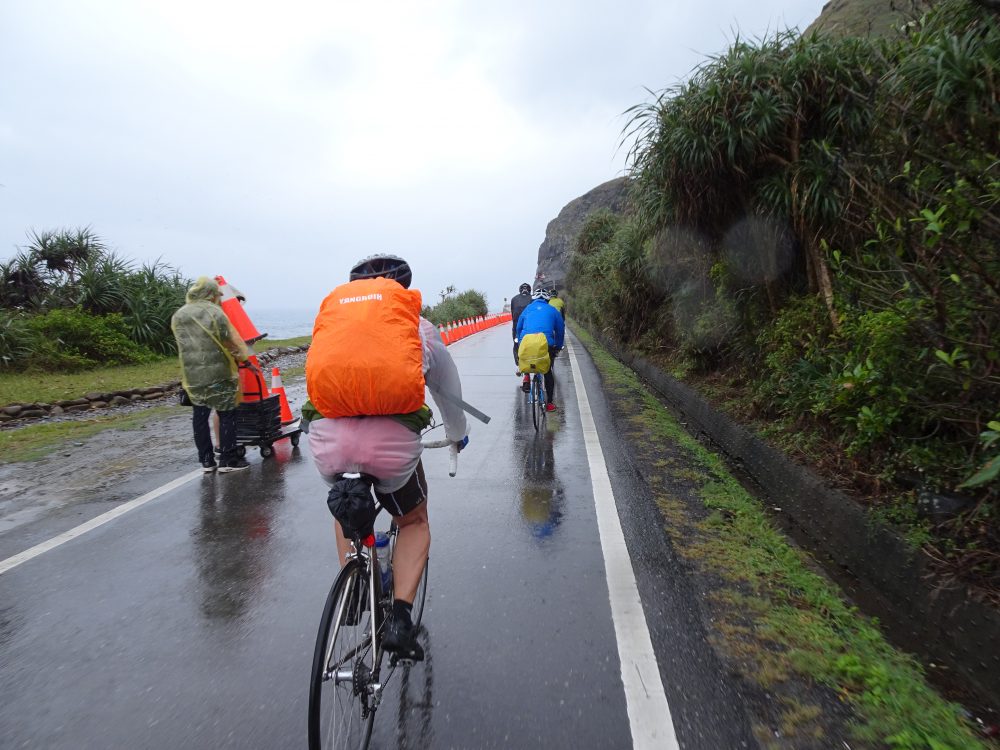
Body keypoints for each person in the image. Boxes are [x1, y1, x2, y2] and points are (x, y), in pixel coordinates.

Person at [304, 254, 468, 662]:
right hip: (391, 449)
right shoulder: (417, 326)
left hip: (328, 444)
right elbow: (449, 392)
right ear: (402, 289)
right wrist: (456, 435)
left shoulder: (334, 324)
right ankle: (399, 619)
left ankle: (357, 582)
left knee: (345, 506)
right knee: (412, 520)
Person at [171, 276, 252, 473]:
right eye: (216, 294)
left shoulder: (180, 315)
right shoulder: (215, 313)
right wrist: (244, 359)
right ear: (211, 294)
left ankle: (206, 461)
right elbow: (230, 341)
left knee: (199, 416)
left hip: (193, 374)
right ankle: (228, 459)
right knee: (226, 414)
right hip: (219, 373)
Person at [516, 288, 565, 411]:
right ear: (547, 299)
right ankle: (549, 403)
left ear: (534, 299)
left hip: (526, 342)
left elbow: (518, 327)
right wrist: (558, 346)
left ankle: (524, 372)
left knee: (526, 356)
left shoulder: (527, 309)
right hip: (546, 343)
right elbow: (560, 330)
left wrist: (519, 339)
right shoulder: (553, 310)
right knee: (547, 372)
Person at [510, 282, 533, 389]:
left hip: (518, 329)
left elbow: (512, 316)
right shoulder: (534, 299)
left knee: (518, 347)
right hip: (532, 329)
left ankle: (522, 369)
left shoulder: (514, 299)